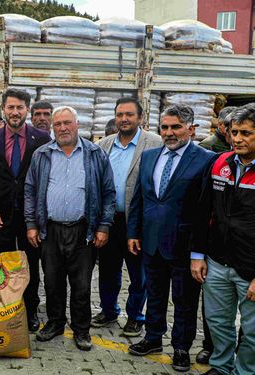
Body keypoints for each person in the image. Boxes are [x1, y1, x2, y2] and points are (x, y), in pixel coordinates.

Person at [126, 104, 215, 372]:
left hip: (184, 246)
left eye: (175, 127)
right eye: (164, 127)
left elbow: (205, 210)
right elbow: (139, 198)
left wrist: (199, 252)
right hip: (151, 242)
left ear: (191, 129)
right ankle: (153, 338)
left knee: (184, 301)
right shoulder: (150, 156)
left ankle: (180, 348)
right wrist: (133, 232)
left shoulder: (205, 159)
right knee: (154, 295)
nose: (169, 133)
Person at [25, 105, 115, 351]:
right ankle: (55, 322)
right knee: (52, 282)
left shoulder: (95, 154)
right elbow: (30, 191)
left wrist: (104, 226)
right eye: (57, 124)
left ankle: (81, 329)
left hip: (82, 230)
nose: (62, 128)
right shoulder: (42, 154)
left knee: (82, 284)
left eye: (67, 123)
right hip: (50, 230)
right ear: (52, 128)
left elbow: (108, 192)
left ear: (77, 124)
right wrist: (31, 224)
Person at [0, 88, 51, 333]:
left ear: (27, 110)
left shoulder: (41, 139)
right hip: (1, 217)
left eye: (20, 107)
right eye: (10, 107)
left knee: (30, 266)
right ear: (3, 109)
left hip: (30, 218)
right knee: (3, 266)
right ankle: (3, 307)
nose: (15, 112)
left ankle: (30, 312)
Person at [192, 103, 255, 375]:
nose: (237, 139)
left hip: (250, 268)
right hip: (217, 262)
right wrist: (197, 255)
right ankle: (221, 367)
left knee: (252, 332)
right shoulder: (220, 164)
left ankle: (245, 371)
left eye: (246, 133)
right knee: (218, 323)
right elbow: (203, 211)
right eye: (234, 132)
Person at [92, 98, 162, 337]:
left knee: (138, 275)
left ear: (140, 118)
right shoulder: (104, 145)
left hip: (138, 222)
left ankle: (135, 317)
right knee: (108, 271)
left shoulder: (154, 143)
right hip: (109, 221)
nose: (124, 119)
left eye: (129, 115)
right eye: (120, 114)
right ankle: (109, 310)